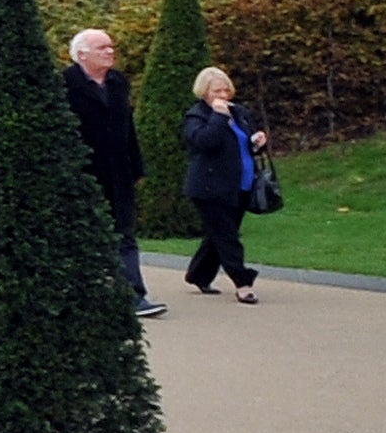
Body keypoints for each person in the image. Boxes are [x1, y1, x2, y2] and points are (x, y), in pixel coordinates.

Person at [61, 26, 165, 317]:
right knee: (81, 236)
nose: (110, 51)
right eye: (102, 47)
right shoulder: (63, 85)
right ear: (82, 55)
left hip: (119, 173)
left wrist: (136, 165)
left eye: (111, 46)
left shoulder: (119, 83)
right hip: (83, 174)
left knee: (125, 235)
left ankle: (134, 296)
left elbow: (127, 127)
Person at [182, 67, 267, 303]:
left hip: (240, 184)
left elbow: (242, 145)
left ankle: (198, 274)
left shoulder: (240, 113)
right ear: (204, 92)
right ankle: (243, 282)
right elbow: (204, 142)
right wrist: (218, 117)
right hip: (209, 187)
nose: (222, 95)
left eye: (225, 89)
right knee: (227, 235)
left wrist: (257, 141)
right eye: (216, 90)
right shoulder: (196, 116)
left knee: (217, 235)